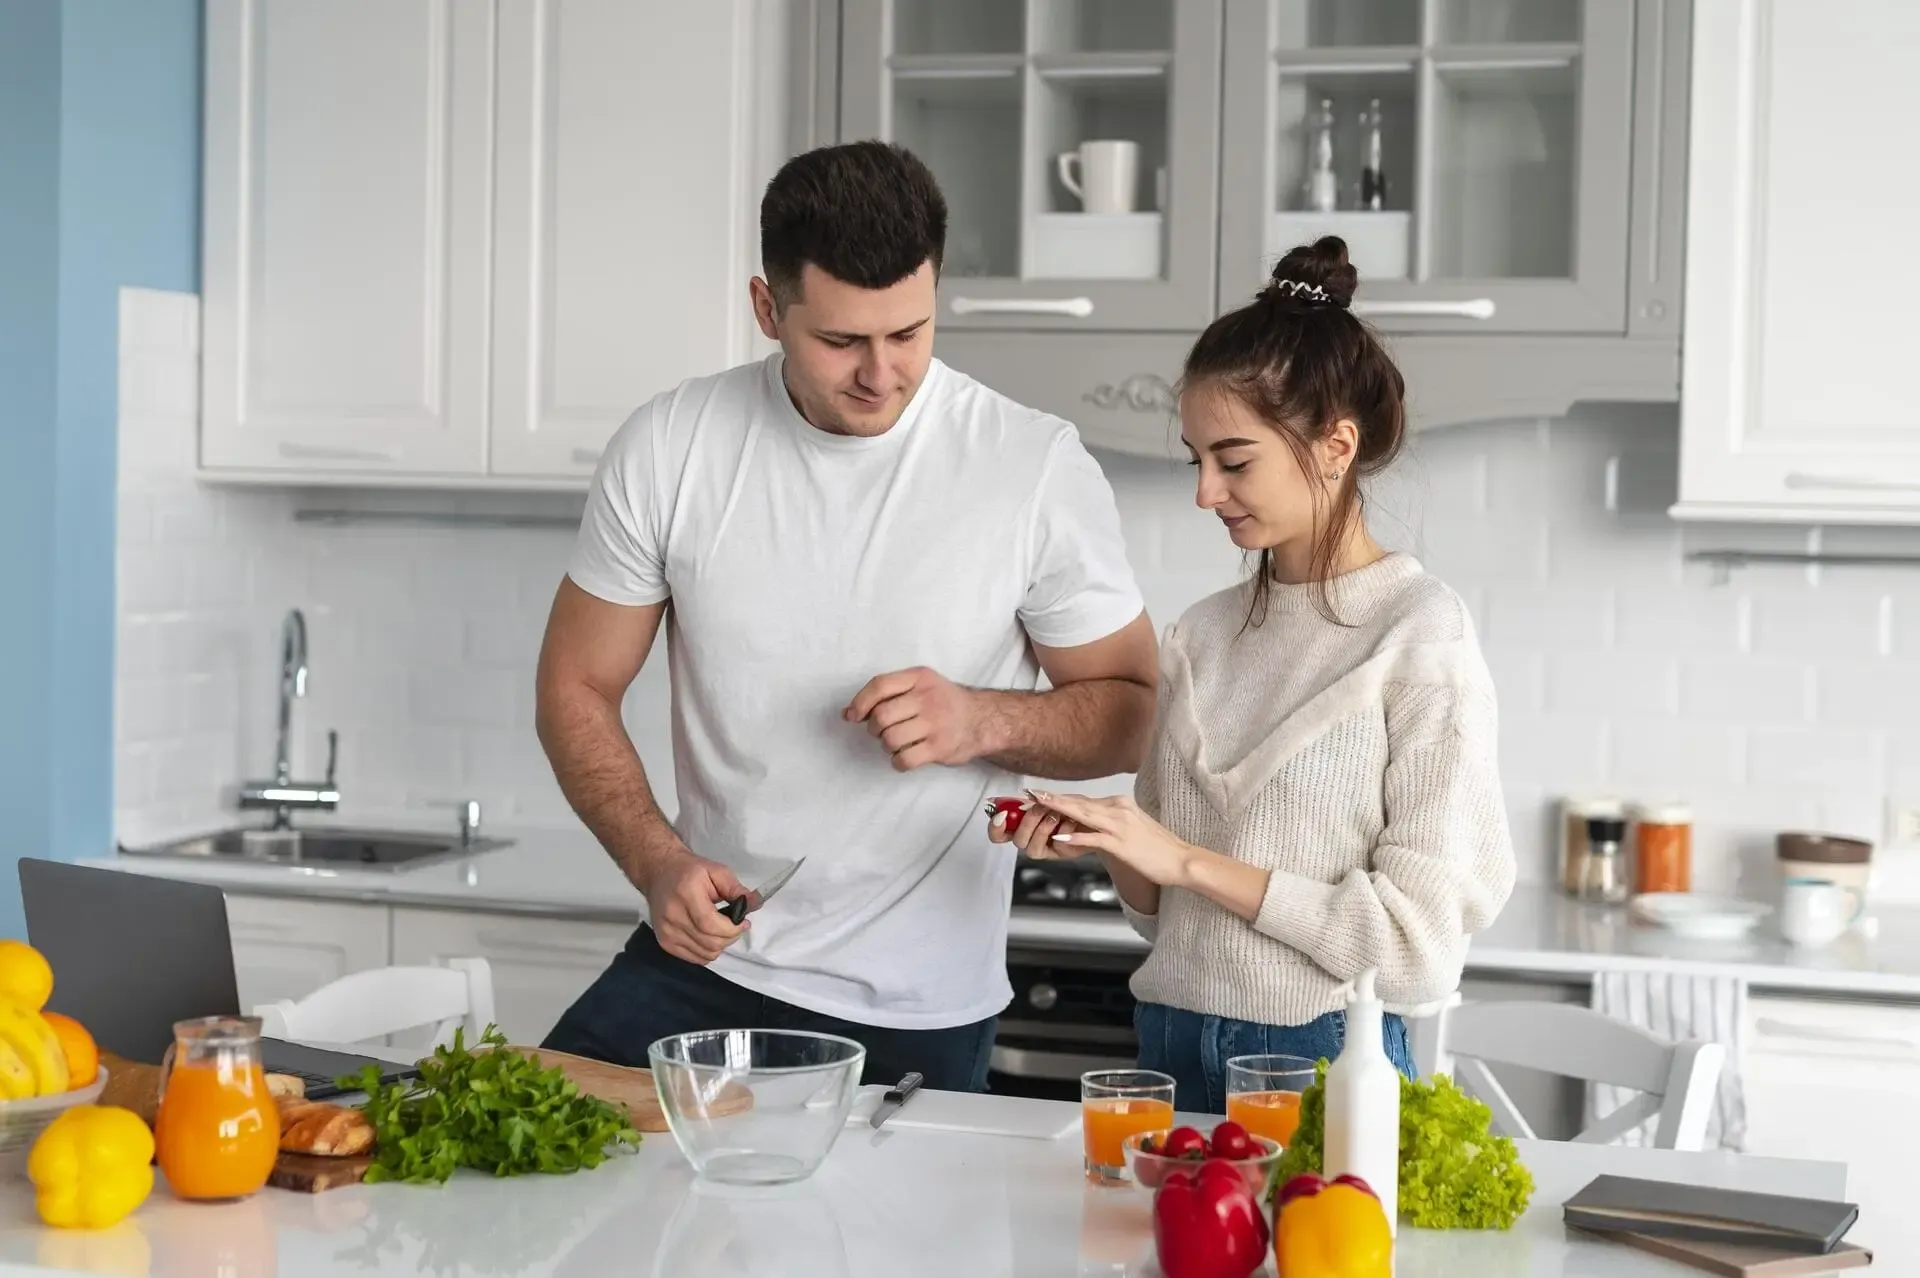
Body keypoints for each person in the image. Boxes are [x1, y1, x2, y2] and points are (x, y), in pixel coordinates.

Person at [532, 141, 1159, 1092]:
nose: (881, 373)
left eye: (909, 332)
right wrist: (656, 862)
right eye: (840, 342)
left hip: (917, 1005)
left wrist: (982, 719)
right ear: (765, 309)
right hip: (708, 959)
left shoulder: (1031, 467)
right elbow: (575, 686)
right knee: (530, 1181)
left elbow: (1133, 711)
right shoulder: (672, 447)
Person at [995, 238, 1517, 1113]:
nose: (1206, 492)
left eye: (1233, 461)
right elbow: (1161, 914)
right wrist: (1107, 847)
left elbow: (1416, 947)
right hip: (1165, 1045)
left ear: (1334, 446)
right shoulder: (1201, 635)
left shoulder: (1420, 635)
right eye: (1196, 459)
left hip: (1319, 1064)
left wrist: (1189, 862)